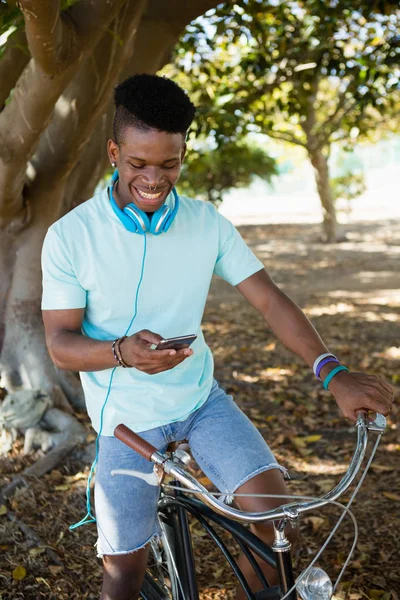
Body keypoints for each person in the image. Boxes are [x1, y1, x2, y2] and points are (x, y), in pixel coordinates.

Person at [41, 74, 393, 600]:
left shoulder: (208, 224)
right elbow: (60, 343)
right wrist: (122, 354)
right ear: (114, 152)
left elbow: (270, 300)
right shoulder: (71, 236)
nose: (154, 179)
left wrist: (332, 371)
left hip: (202, 403)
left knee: (276, 529)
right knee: (123, 572)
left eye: (170, 163)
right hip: (126, 423)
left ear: (184, 152)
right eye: (138, 164)